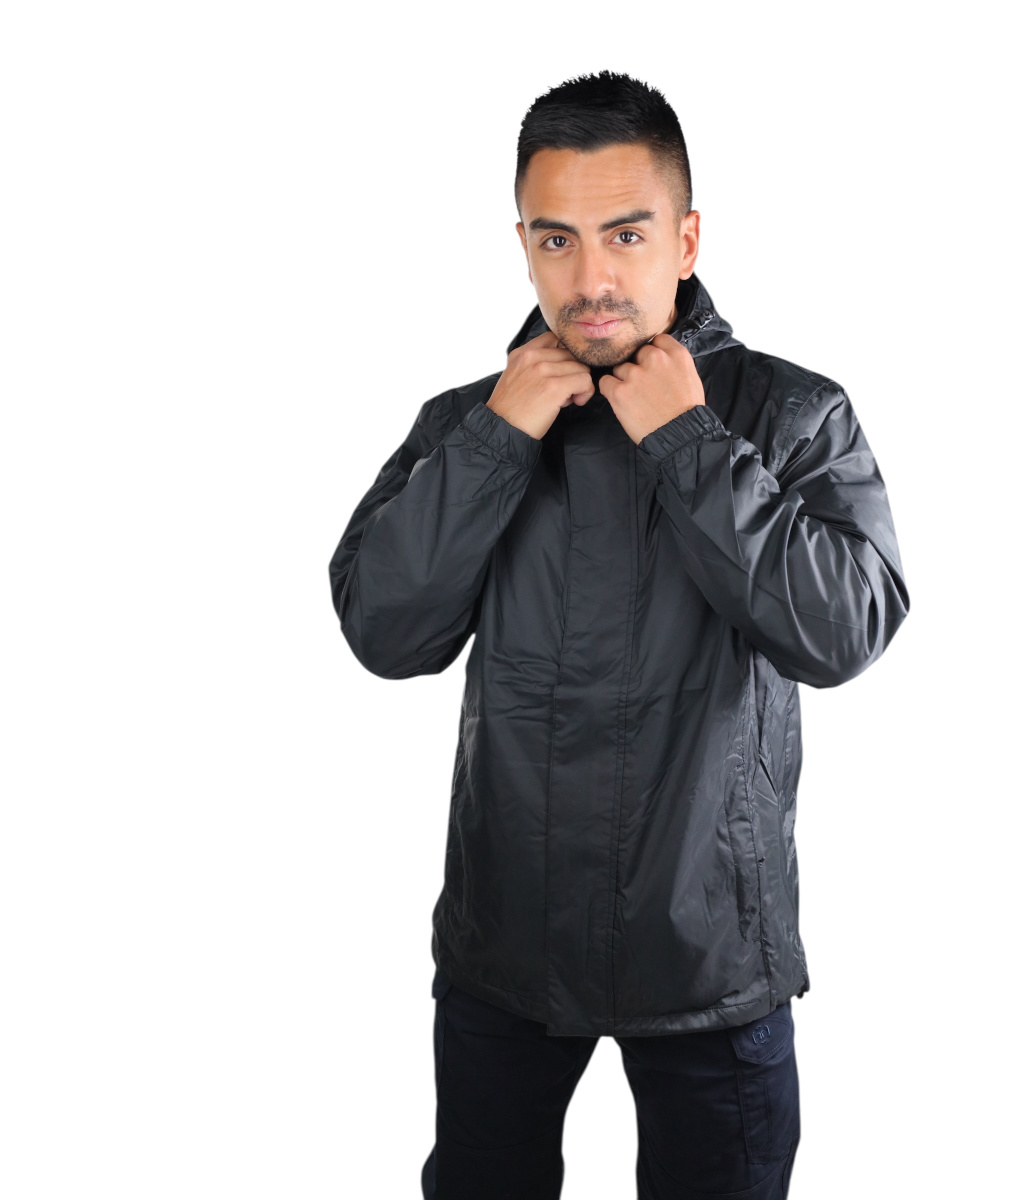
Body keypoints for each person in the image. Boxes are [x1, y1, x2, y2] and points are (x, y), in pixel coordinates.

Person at [330, 71, 908, 1200]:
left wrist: (691, 444)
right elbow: (384, 631)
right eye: (558, 240)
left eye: (627, 235)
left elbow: (844, 631)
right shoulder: (468, 422)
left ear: (685, 240)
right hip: (507, 944)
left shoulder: (792, 415)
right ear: (524, 248)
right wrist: (498, 439)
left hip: (712, 954)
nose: (591, 279)